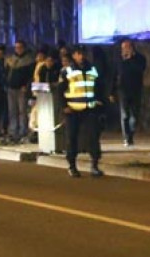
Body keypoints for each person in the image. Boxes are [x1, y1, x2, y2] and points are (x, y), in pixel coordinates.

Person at [59, 45, 106, 178]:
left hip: (90, 109)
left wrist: (100, 101)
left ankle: (95, 165)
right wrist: (64, 107)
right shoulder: (67, 71)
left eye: (83, 53)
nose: (81, 56)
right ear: (73, 55)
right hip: (72, 110)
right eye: (78, 53)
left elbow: (98, 86)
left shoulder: (92, 69)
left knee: (93, 137)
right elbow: (60, 91)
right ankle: (72, 166)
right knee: (72, 138)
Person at [111, 38, 147, 147]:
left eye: (126, 47)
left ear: (132, 47)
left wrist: (130, 59)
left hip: (136, 89)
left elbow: (140, 69)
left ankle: (131, 133)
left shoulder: (140, 59)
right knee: (125, 115)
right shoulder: (119, 59)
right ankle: (127, 137)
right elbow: (115, 75)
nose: (125, 50)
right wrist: (111, 92)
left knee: (134, 116)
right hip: (123, 90)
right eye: (123, 48)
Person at [5, 41, 36, 143]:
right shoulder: (11, 60)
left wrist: (26, 86)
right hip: (11, 89)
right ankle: (13, 131)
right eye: (16, 47)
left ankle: (23, 131)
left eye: (20, 47)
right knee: (12, 111)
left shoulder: (28, 61)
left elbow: (30, 76)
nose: (18, 49)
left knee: (22, 111)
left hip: (21, 89)